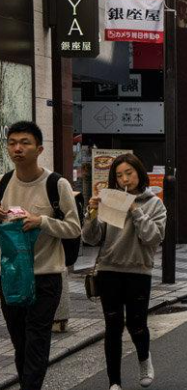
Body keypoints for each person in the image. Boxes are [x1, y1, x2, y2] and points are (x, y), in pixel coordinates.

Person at [0, 121, 81, 390]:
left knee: (36, 341)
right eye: (12, 143)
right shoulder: (4, 183)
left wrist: (41, 221)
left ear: (39, 148)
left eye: (25, 143)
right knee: (20, 342)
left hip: (46, 276)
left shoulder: (57, 184)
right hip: (12, 277)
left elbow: (73, 228)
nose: (17, 149)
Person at [83, 154, 167, 390]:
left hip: (138, 270)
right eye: (119, 175)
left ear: (139, 172)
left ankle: (143, 359)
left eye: (128, 173)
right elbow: (91, 238)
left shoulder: (154, 204)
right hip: (108, 269)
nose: (124, 179)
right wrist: (91, 214)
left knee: (137, 323)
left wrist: (135, 210)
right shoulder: (110, 200)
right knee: (113, 326)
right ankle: (114, 382)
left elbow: (153, 237)